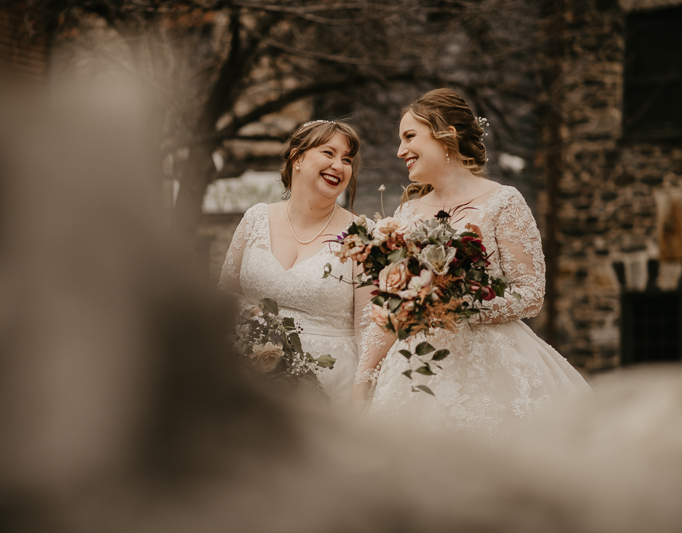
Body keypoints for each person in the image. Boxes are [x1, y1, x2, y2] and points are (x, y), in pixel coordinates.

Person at [352, 89, 591, 439]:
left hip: (495, 368)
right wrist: (363, 378)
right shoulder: (406, 213)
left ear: (445, 135)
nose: (400, 150)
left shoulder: (502, 202)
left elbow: (530, 294)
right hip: (415, 369)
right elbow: (390, 306)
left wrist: (456, 304)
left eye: (409, 137)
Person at [219, 120, 371, 405]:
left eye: (347, 159)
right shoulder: (255, 218)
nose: (339, 165)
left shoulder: (363, 234)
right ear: (297, 157)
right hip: (252, 375)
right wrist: (251, 325)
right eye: (329, 153)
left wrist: (362, 394)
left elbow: (370, 325)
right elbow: (226, 291)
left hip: (333, 383)